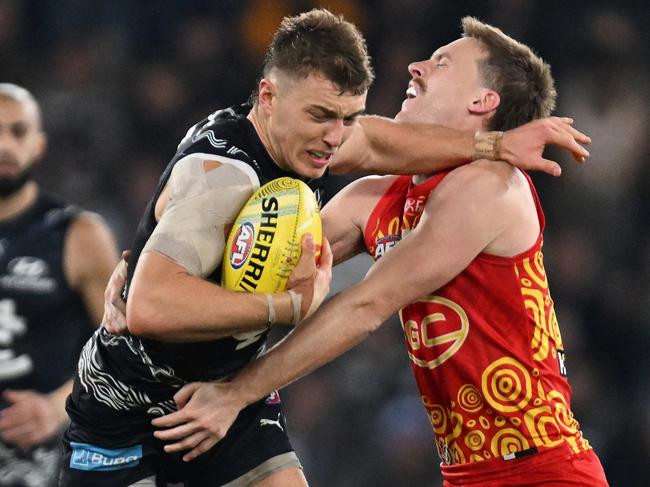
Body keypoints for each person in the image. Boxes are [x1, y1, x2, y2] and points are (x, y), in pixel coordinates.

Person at [79, 9, 590, 487]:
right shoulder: (379, 196)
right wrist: (149, 265)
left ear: (482, 102)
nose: (414, 67)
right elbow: (265, 260)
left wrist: (237, 392)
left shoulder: (488, 186)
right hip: (467, 470)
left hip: (540, 467)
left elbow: (365, 305)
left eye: (440, 63)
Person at [0, 83, 118, 487]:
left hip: (49, 463)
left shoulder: (78, 235)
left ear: (39, 145)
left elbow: (124, 350)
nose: (5, 145)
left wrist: (55, 407)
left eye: (18, 132)